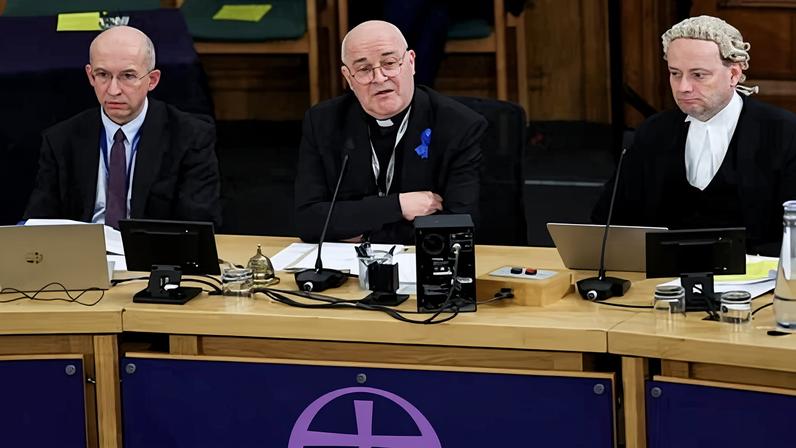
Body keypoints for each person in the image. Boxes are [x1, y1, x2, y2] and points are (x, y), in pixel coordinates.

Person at [594, 15, 796, 256]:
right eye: (675, 73)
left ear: (733, 74)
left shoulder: (784, 133)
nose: (683, 88)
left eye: (698, 75)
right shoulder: (653, 132)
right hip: (661, 274)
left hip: (757, 275)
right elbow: (608, 221)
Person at [294, 20, 487, 244]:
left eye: (389, 63)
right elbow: (308, 221)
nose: (379, 78)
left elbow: (459, 228)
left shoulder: (460, 126)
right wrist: (398, 206)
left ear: (411, 63)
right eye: (364, 69)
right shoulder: (323, 122)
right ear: (348, 77)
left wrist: (362, 232)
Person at [24, 26, 221, 228]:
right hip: (84, 246)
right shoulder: (61, 140)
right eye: (103, 75)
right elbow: (38, 223)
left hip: (152, 246)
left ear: (152, 80)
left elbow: (197, 225)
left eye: (128, 76)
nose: (113, 90)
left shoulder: (190, 137)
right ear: (91, 76)